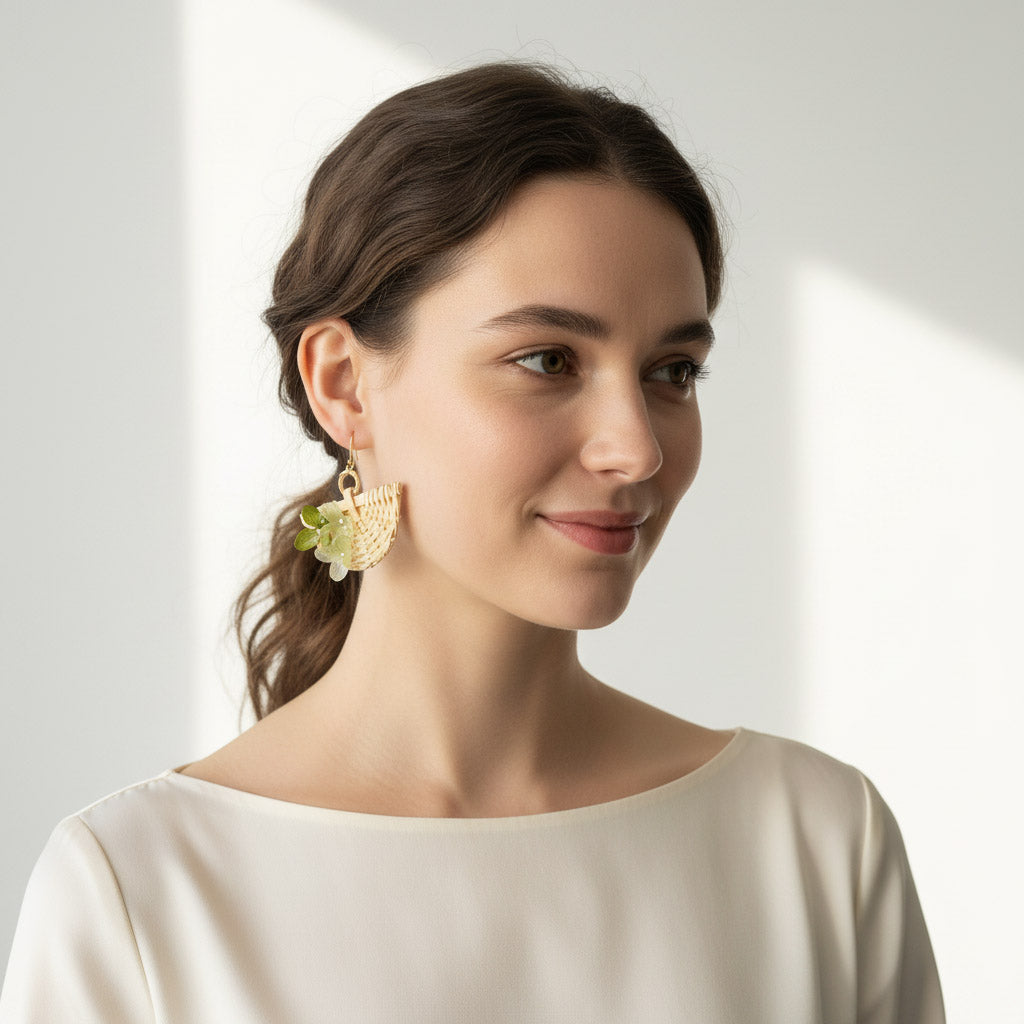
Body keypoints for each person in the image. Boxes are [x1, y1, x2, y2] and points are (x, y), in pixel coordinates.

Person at [0, 61, 944, 1022]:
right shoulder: (138, 895)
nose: (637, 447)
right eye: (547, 360)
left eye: (673, 370)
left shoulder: (818, 845)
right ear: (343, 385)